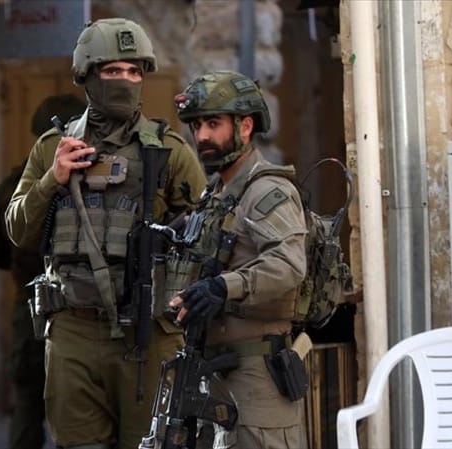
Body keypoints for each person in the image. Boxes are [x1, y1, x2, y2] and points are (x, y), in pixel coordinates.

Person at [4, 17, 207, 449]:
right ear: (87, 75)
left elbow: (207, 238)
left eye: (134, 71)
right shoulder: (52, 148)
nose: (125, 81)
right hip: (74, 330)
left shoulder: (168, 151)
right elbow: (18, 229)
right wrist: (53, 179)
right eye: (113, 70)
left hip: (147, 333)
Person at [167, 70, 309, 449]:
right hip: (217, 371)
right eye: (197, 126)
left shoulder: (266, 190)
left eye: (213, 124)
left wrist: (223, 287)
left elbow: (289, 263)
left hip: (256, 379)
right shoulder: (217, 194)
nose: (201, 136)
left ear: (245, 127)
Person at [0, 93, 88, 449]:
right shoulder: (97, 179)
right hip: (82, 313)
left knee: (28, 407)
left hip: (31, 310)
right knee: (80, 414)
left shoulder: (11, 189)